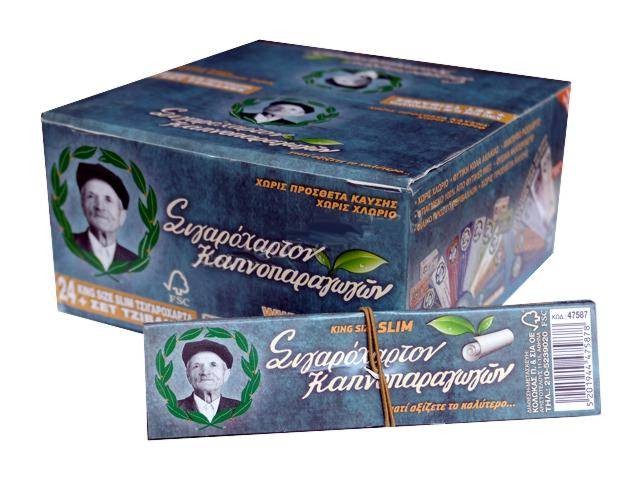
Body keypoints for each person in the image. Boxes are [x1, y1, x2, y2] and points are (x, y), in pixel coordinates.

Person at [74, 163, 137, 269]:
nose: (99, 206)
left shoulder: (134, 262)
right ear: (83, 205)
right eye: (91, 196)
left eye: (108, 199)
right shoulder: (67, 243)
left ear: (122, 216)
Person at [178, 340, 240, 420]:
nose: (205, 372)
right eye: (196, 366)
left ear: (226, 374)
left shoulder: (241, 409)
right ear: (188, 375)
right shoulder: (173, 409)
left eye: (213, 365)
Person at [244, 100, 314, 124]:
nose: (281, 110)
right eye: (279, 106)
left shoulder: (289, 125)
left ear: (299, 114)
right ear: (268, 106)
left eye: (293, 109)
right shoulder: (241, 114)